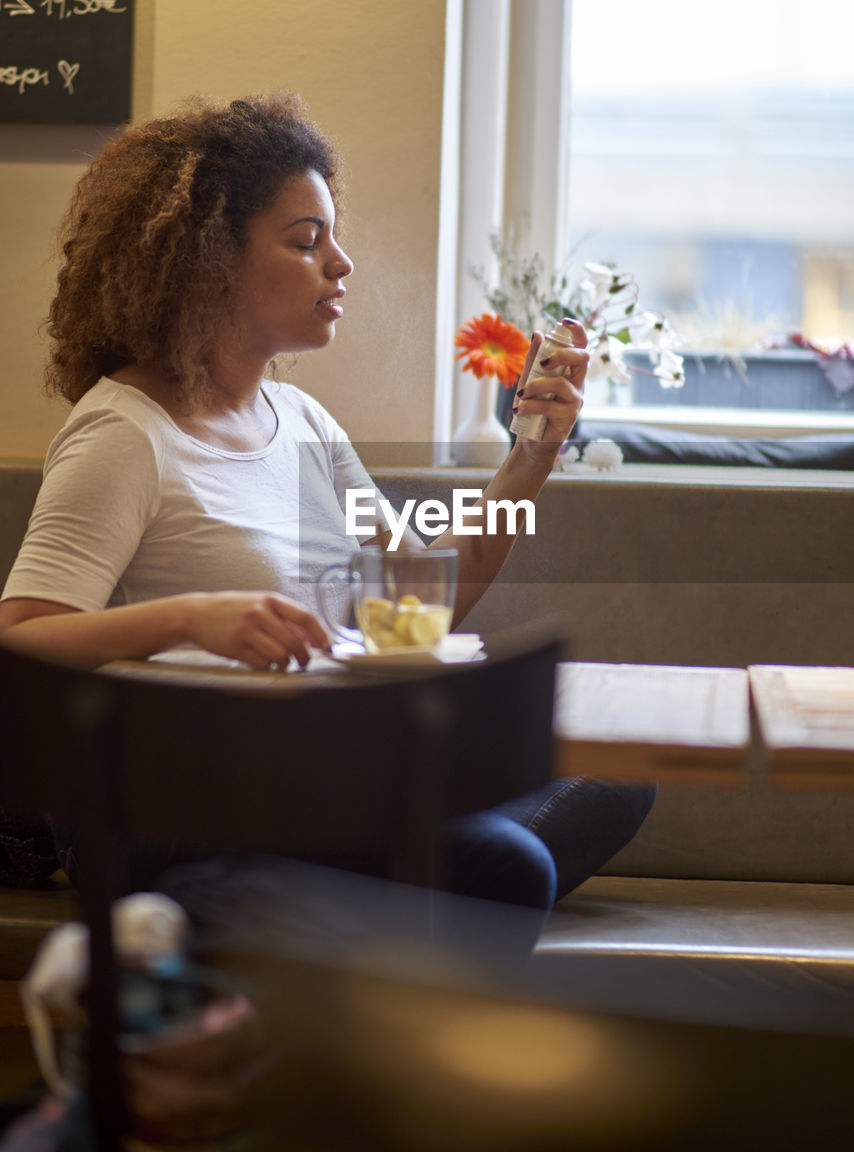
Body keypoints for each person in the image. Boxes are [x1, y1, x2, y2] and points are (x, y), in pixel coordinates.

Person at [0, 93, 654, 956]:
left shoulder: (302, 423)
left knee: (618, 776)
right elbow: (23, 639)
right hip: (171, 810)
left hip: (313, 778)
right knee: (507, 870)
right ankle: (303, 916)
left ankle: (328, 907)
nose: (340, 264)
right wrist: (192, 618)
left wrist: (530, 456)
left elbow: (422, 598)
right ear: (208, 262)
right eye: (307, 241)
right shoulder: (127, 433)